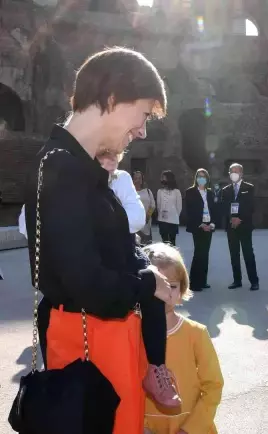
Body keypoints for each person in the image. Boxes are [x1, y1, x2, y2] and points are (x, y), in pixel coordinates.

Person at [23, 47, 182, 434]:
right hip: (87, 338)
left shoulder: (82, 164)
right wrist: (149, 282)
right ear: (112, 99)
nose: (142, 130)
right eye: (143, 113)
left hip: (106, 335)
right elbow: (87, 283)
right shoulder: (60, 165)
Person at [143, 243, 224, 434]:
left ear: (181, 291)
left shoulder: (196, 333)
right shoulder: (134, 335)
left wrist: (190, 429)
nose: (163, 293)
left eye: (171, 286)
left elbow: (213, 386)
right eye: (155, 285)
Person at [18, 149, 147, 238]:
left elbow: (137, 218)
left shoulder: (120, 178)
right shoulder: (65, 178)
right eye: (102, 161)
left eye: (115, 156)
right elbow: (26, 225)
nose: (111, 162)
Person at [221, 163, 259, 291]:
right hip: (231, 226)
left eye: (237, 171)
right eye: (232, 171)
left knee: (248, 253)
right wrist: (231, 218)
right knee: (234, 254)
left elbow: (251, 206)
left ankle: (254, 281)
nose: (234, 174)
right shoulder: (225, 190)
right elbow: (224, 207)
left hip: (245, 225)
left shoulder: (249, 187)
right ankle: (237, 280)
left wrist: (240, 218)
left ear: (242, 173)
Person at [185, 168, 219, 291]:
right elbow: (189, 211)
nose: (201, 178)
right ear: (196, 178)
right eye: (199, 176)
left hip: (209, 225)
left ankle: (203, 281)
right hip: (198, 226)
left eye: (204, 176)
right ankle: (194, 283)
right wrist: (199, 224)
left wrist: (212, 224)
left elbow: (215, 210)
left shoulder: (210, 193)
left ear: (207, 179)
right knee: (199, 252)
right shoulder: (190, 192)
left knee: (205, 253)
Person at [157, 170, 182, 245]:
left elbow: (179, 207)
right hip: (162, 220)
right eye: (162, 178)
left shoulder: (176, 191)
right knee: (164, 242)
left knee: (172, 242)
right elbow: (158, 206)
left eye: (164, 178)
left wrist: (174, 215)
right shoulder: (160, 191)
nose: (163, 180)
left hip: (173, 221)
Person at [134, 170, 157, 245]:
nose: (138, 180)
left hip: (146, 224)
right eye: (136, 178)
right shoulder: (130, 192)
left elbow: (153, 205)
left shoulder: (147, 191)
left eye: (140, 178)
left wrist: (147, 216)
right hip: (135, 224)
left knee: (147, 246)